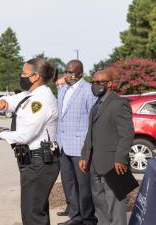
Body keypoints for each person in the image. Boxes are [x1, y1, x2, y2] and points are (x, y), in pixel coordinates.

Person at [0, 58, 60, 225]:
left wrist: (0, 133)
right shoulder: (30, 95)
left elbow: (24, 135)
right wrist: (3, 104)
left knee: (32, 215)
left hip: (39, 161)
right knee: (35, 211)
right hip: (34, 161)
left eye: (23, 73)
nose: (21, 76)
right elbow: (13, 102)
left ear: (35, 77)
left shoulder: (40, 101)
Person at [79, 70, 134, 225]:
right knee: (100, 206)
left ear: (110, 83)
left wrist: (120, 159)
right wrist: (84, 156)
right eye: (93, 82)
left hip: (115, 165)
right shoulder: (96, 105)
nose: (95, 85)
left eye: (99, 82)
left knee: (116, 208)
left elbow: (127, 135)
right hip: (95, 164)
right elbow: (90, 134)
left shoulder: (120, 103)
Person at [56, 60, 97, 225]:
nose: (67, 75)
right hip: (63, 146)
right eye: (66, 71)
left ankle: (88, 218)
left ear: (80, 73)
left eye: (71, 72)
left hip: (80, 146)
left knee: (84, 185)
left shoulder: (88, 90)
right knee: (69, 183)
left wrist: (88, 147)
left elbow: (93, 120)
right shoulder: (62, 90)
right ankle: (75, 216)